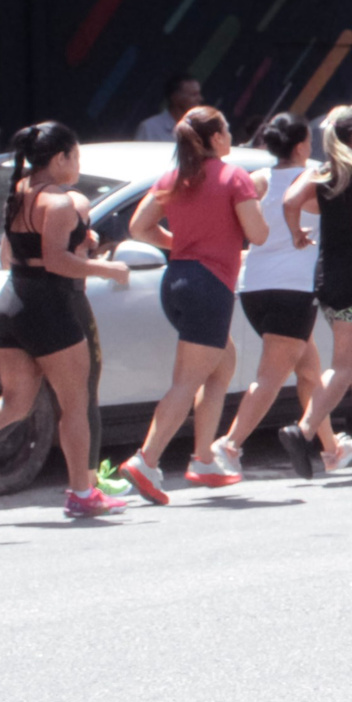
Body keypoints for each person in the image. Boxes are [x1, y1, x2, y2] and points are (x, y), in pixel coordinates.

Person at [0, 122, 133, 519]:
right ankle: (82, 493)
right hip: (50, 306)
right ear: (60, 158)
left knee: (14, 402)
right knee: (75, 404)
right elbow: (57, 261)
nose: (78, 164)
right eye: (75, 155)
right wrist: (107, 269)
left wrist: (78, 243)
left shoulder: (20, 192)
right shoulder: (59, 202)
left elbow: (10, 255)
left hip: (12, 301)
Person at [117, 107, 264, 503]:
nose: (230, 135)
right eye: (226, 129)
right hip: (209, 285)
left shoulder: (174, 177)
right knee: (186, 381)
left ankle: (203, 458)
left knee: (223, 364)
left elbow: (138, 227)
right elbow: (258, 234)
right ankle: (146, 460)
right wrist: (255, 199)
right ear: (215, 138)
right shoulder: (234, 177)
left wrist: (182, 243)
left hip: (177, 281)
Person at [212, 114, 352, 478]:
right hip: (293, 288)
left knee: (308, 370)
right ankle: (229, 444)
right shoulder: (316, 179)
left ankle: (332, 449)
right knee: (271, 376)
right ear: (301, 146)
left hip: (254, 288)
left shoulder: (258, 180)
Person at [277, 108, 352, 480]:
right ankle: (303, 430)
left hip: (328, 280)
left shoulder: (321, 173)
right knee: (346, 367)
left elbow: (289, 201)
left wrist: (297, 233)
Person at [134, 75, 203, 143]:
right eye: (194, 95)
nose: (200, 99)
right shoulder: (149, 128)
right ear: (175, 97)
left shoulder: (202, 128)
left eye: (199, 94)